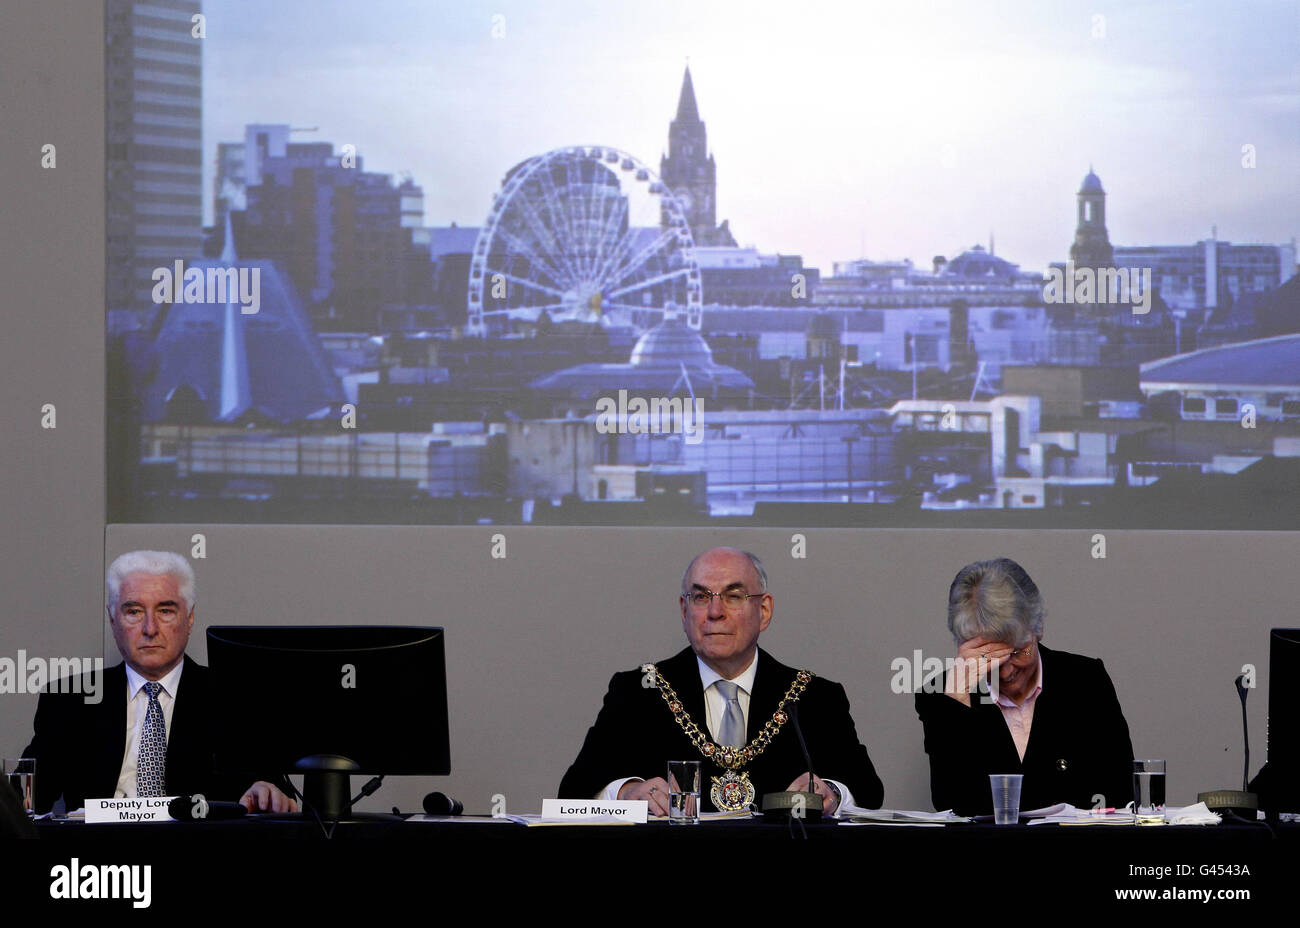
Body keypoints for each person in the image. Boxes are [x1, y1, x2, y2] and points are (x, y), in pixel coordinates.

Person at [559, 547, 883, 815]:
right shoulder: (639, 692)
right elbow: (572, 792)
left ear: (764, 610)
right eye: (701, 598)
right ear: (684, 611)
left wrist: (833, 794)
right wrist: (626, 793)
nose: (715, 612)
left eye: (734, 596)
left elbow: (869, 792)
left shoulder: (813, 697)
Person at [22, 550, 297, 815]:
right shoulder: (70, 700)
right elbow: (24, 801)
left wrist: (266, 789)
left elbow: (279, 792)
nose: (150, 629)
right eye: (134, 611)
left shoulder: (236, 696)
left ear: (189, 618)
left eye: (165, 611)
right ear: (112, 618)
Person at [915, 557, 1134, 816]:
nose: (1006, 671)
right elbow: (953, 803)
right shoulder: (942, 693)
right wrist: (957, 707)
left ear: (1037, 626)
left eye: (1017, 651)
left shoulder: (1085, 680)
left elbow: (1120, 792)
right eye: (988, 657)